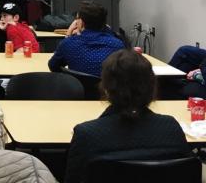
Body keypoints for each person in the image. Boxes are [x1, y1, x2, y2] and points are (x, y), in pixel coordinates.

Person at [65, 50, 191, 183]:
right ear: (152, 87)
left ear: (106, 89)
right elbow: (187, 173)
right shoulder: (171, 127)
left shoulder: (86, 134)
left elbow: (72, 178)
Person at [48, 1, 124, 77]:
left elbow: (53, 66)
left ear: (81, 22)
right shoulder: (117, 45)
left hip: (77, 87)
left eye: (77, 18)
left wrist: (68, 34)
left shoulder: (68, 44)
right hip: (106, 88)